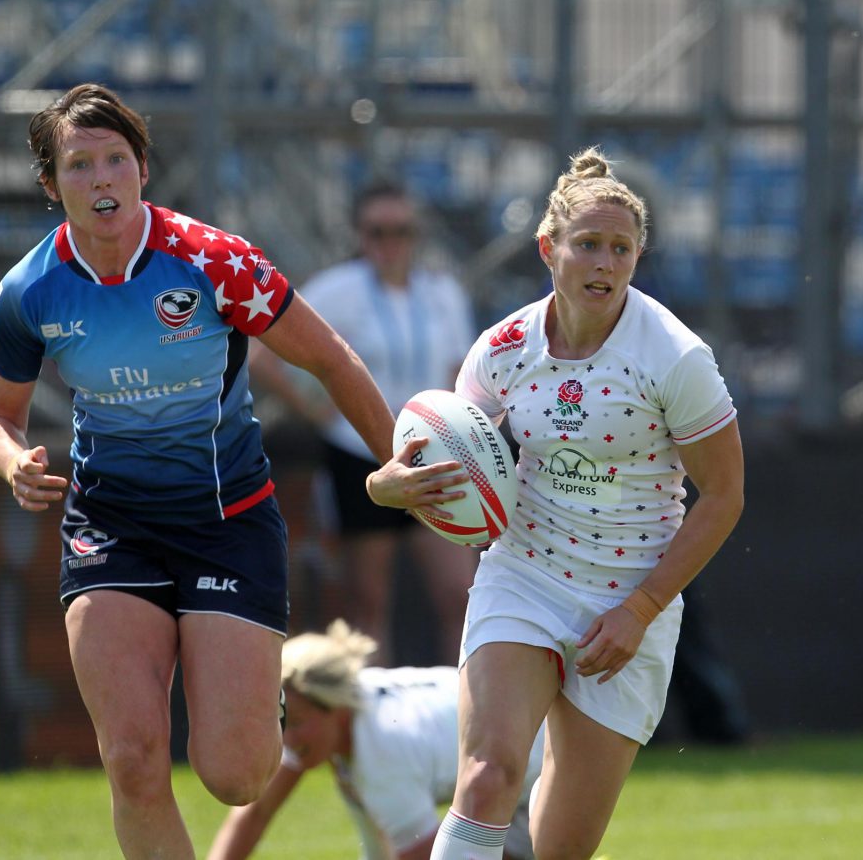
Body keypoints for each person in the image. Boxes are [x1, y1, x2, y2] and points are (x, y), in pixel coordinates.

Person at [0, 83, 464, 859]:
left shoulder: (214, 261)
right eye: (79, 165)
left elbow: (331, 360)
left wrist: (395, 463)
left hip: (227, 524)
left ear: (142, 170)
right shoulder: (29, 291)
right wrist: (12, 463)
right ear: (50, 184)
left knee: (236, 775)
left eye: (116, 160)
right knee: (132, 760)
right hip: (111, 530)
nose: (101, 179)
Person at [367, 147, 745, 860]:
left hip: (633, 596)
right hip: (525, 575)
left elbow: (724, 496)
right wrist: (384, 486)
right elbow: (445, 449)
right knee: (485, 779)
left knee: (559, 847)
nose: (605, 264)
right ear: (549, 248)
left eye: (622, 249)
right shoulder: (504, 346)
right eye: (589, 245)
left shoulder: (675, 357)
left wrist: (639, 610)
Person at [250, 181, 478, 665]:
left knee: (460, 592)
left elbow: (459, 370)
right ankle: (375, 729)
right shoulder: (338, 289)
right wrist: (314, 408)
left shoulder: (443, 292)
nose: (390, 242)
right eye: (378, 231)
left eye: (402, 230)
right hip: (357, 453)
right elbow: (262, 350)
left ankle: (455, 718)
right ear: (360, 234)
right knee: (369, 599)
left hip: (433, 453)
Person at [207, 620, 545, 860]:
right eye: (280, 723)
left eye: (295, 724)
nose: (286, 738)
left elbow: (421, 853)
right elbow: (256, 812)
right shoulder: (337, 713)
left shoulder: (382, 749)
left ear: (335, 711)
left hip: (534, 782)